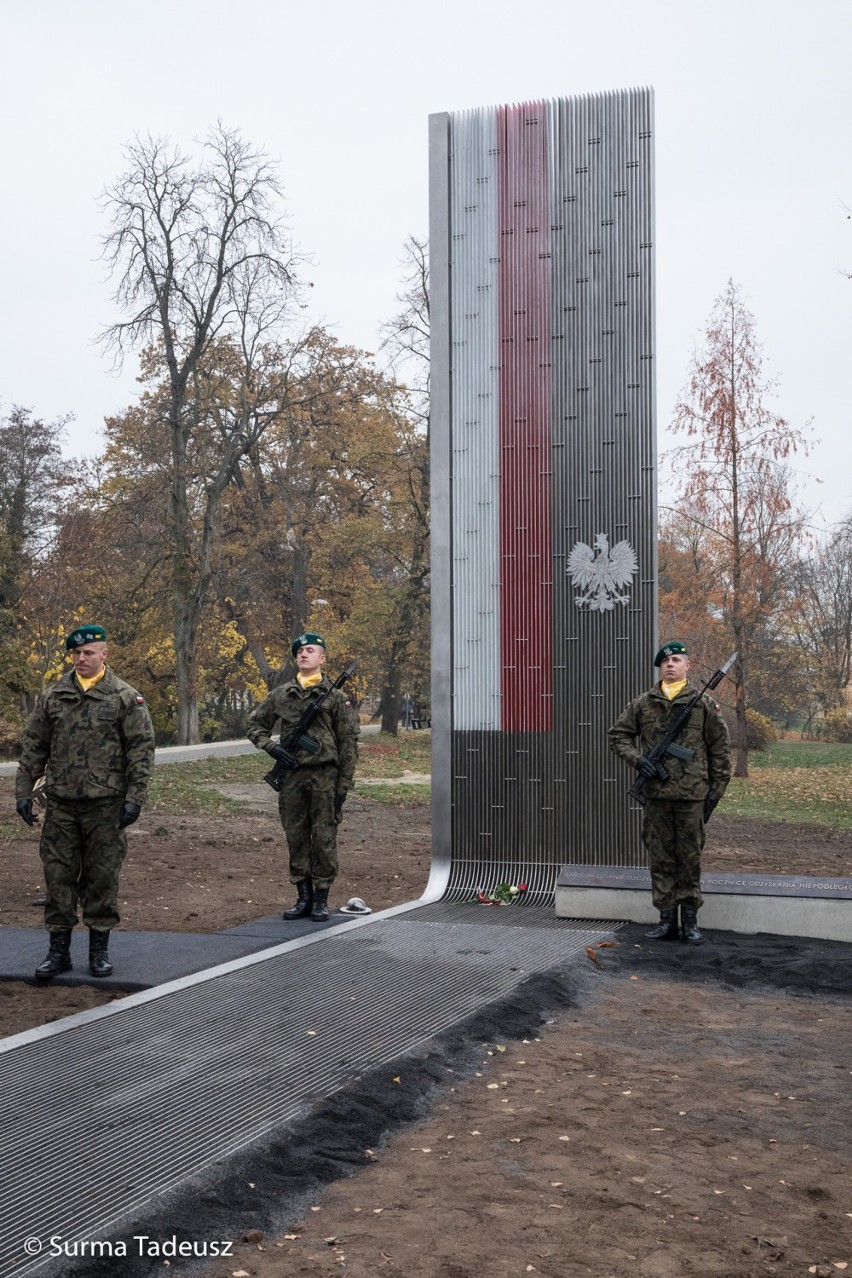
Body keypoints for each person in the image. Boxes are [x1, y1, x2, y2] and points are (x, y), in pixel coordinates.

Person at [15, 625, 155, 979]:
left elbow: (141, 751)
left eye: (88, 652)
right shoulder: (54, 696)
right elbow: (34, 747)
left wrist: (134, 799)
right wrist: (22, 791)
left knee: (102, 878)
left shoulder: (124, 697)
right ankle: (58, 951)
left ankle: (98, 951)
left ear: (104, 654)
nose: (81, 658)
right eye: (76, 653)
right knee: (57, 876)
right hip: (61, 805)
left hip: (106, 807)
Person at [608, 641, 731, 945]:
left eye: (676, 660)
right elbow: (617, 737)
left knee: (689, 859)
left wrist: (713, 794)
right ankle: (666, 920)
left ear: (688, 666)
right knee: (661, 858)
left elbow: (720, 752)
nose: (670, 665)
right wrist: (639, 761)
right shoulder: (643, 703)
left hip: (692, 796)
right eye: (665, 662)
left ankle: (689, 922)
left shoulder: (703, 705)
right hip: (657, 795)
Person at [246, 632, 359, 922]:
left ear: (322, 658)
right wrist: (273, 748)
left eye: (310, 650)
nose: (304, 655)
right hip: (292, 777)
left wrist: (344, 784)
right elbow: (255, 725)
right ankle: (303, 896)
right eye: (300, 651)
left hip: (325, 777)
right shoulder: (282, 694)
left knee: (323, 838)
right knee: (296, 836)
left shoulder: (335, 697)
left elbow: (348, 743)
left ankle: (321, 898)